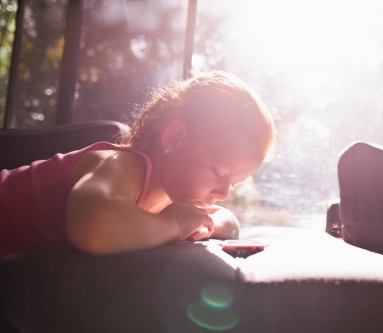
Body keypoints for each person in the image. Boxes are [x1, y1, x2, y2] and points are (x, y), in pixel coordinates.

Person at [0, 71, 276, 258]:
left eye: (234, 184)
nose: (223, 193)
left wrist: (207, 222)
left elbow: (230, 223)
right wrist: (172, 227)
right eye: (219, 172)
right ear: (176, 138)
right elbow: (93, 228)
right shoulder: (120, 166)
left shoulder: (172, 194)